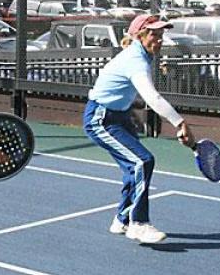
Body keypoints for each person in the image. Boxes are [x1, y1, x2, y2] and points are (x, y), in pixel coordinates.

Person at [83, 14, 196, 244]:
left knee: (132, 168)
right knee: (142, 161)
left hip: (120, 116)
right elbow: (152, 98)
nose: (160, 39)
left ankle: (122, 220)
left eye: (161, 34)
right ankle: (139, 224)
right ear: (140, 36)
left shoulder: (143, 55)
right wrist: (179, 122)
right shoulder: (135, 58)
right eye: (154, 34)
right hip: (101, 118)